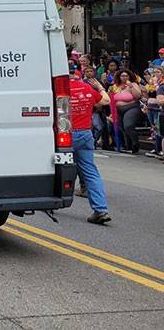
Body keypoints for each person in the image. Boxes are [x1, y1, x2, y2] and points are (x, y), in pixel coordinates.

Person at [69, 70, 113, 224]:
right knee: (90, 172)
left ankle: (53, 201)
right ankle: (100, 209)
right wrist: (100, 87)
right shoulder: (87, 89)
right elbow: (106, 101)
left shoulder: (60, 89)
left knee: (58, 168)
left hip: (65, 135)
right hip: (85, 134)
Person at [110, 70, 144, 153]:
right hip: (118, 109)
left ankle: (136, 143)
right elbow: (110, 99)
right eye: (122, 76)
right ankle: (129, 145)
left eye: (126, 76)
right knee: (122, 127)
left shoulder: (133, 84)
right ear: (119, 77)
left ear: (129, 77)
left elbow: (138, 96)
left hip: (131, 107)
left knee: (128, 125)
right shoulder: (114, 86)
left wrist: (131, 86)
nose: (124, 77)